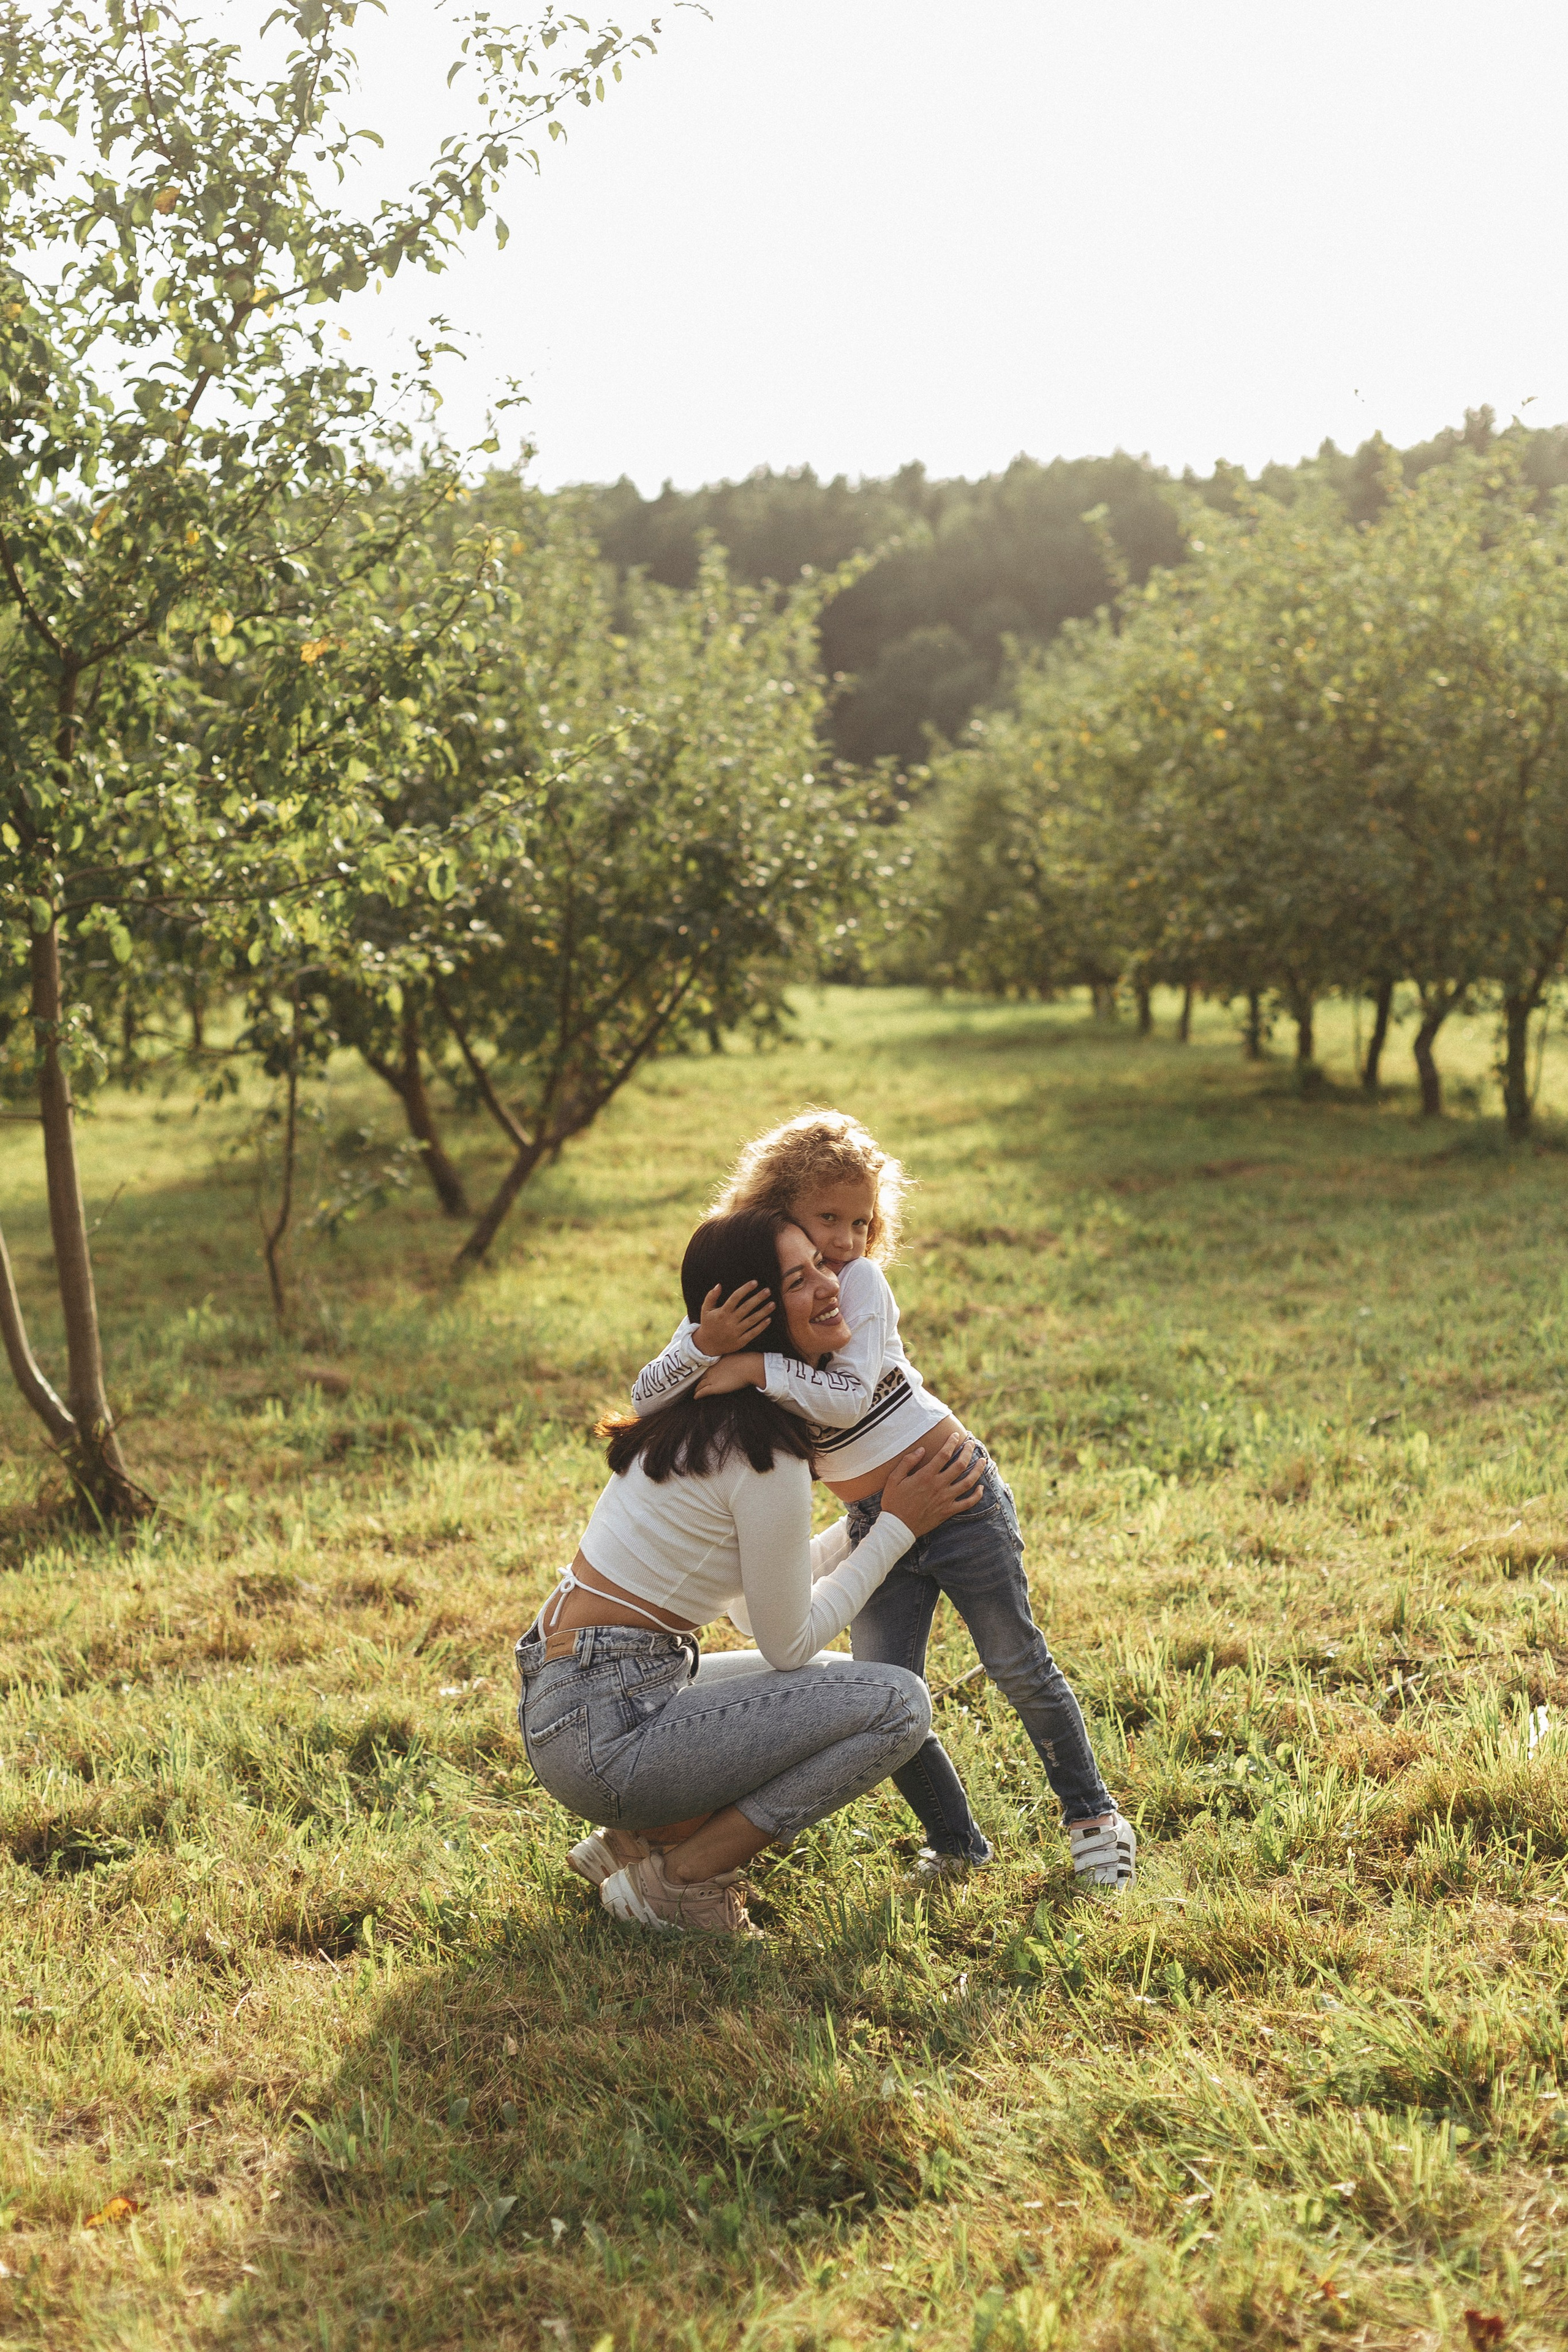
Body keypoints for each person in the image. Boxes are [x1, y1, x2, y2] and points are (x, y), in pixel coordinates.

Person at [631, 1110, 1136, 1893]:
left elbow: (846, 1396)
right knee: (883, 1689)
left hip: (957, 1497)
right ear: (776, 1211)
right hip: (879, 1524)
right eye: (827, 1219)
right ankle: (955, 1843)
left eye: (862, 1223)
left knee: (1015, 1662)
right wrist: (704, 1344)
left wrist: (754, 1370)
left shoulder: (859, 1283)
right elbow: (647, 1397)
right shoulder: (751, 1306)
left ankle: (1094, 1818)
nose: (845, 1241)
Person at [516, 1207, 984, 1936]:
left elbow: (747, 1608)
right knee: (895, 1704)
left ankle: (637, 1841)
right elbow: (785, 1643)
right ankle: (681, 1880)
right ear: (757, 1314)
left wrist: (864, 1524)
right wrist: (897, 1527)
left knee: (841, 1685)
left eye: (822, 1265)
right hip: (609, 1730)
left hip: (577, 1697)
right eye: (798, 1280)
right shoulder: (763, 1456)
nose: (831, 1285)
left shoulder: (708, 1415)